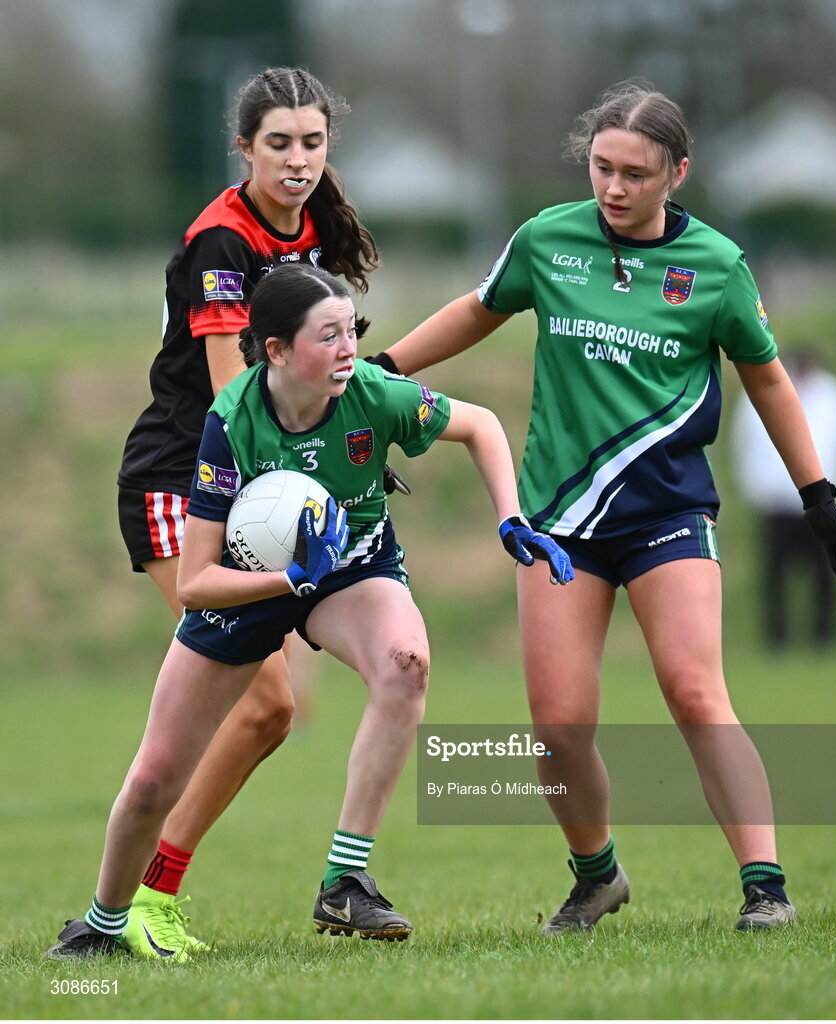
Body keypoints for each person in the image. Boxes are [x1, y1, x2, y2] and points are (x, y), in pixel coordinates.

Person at [373, 80, 836, 932]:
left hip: (669, 513)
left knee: (694, 689)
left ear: (678, 171)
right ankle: (597, 876)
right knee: (559, 726)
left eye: (636, 172)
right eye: (602, 166)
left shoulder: (715, 266)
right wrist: (382, 372)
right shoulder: (548, 240)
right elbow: (477, 311)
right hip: (559, 519)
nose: (614, 187)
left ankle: (765, 887)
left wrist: (816, 496)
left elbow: (770, 379)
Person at [48, 264, 572, 960]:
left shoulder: (372, 394)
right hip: (248, 585)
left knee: (405, 663)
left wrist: (511, 518)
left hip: (353, 571)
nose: (349, 349)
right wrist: (288, 577)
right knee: (152, 780)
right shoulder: (231, 422)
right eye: (328, 337)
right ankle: (103, 926)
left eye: (351, 330)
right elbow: (199, 581)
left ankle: (344, 879)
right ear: (277, 351)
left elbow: (480, 425)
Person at [114, 67, 386, 951]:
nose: (299, 160)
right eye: (279, 144)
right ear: (244, 148)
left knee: (272, 710)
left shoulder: (309, 230)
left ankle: (151, 894)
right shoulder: (221, 243)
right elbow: (239, 402)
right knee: (263, 704)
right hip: (182, 483)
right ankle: (137, 903)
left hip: (257, 488)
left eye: (313, 143)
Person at [731, 348, 836, 649]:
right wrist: (756, 487)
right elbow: (744, 443)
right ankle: (777, 639)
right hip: (776, 502)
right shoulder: (755, 393)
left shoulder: (832, 395)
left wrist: (832, 489)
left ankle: (825, 638)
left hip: (821, 502)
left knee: (826, 572)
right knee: (775, 576)